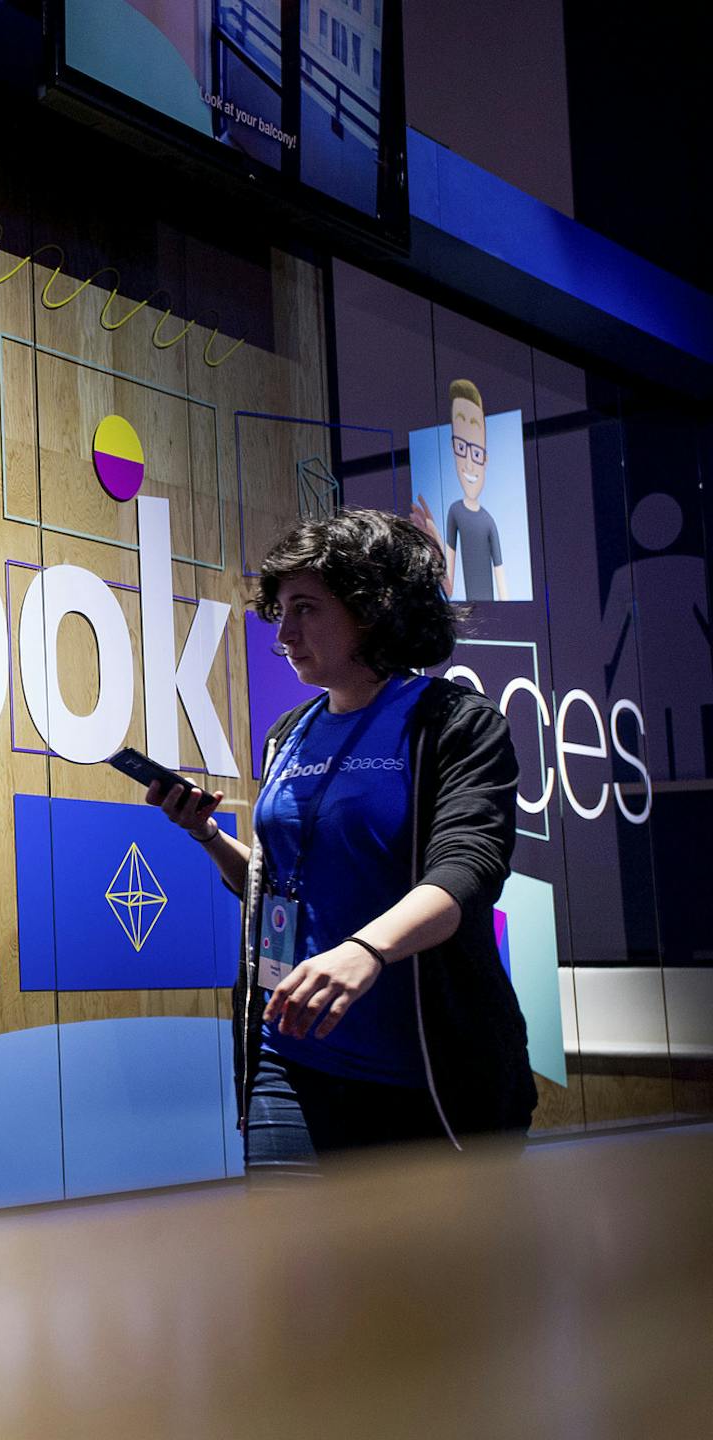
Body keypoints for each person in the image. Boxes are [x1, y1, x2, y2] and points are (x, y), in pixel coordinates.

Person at [146, 509, 534, 1180]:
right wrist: (207, 834)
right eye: (281, 610)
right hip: (289, 1054)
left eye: (305, 609)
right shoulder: (289, 733)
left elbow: (464, 874)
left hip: (425, 1070)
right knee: (289, 1272)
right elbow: (280, 884)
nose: (285, 632)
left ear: (372, 607)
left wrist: (365, 951)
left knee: (417, 1281)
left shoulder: (453, 723)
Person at [411, 378, 507, 602]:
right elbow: (449, 588)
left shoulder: (489, 520)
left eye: (475, 452)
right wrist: (434, 540)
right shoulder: (454, 511)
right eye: (461, 448)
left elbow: (502, 585)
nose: (469, 464)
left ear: (485, 458)